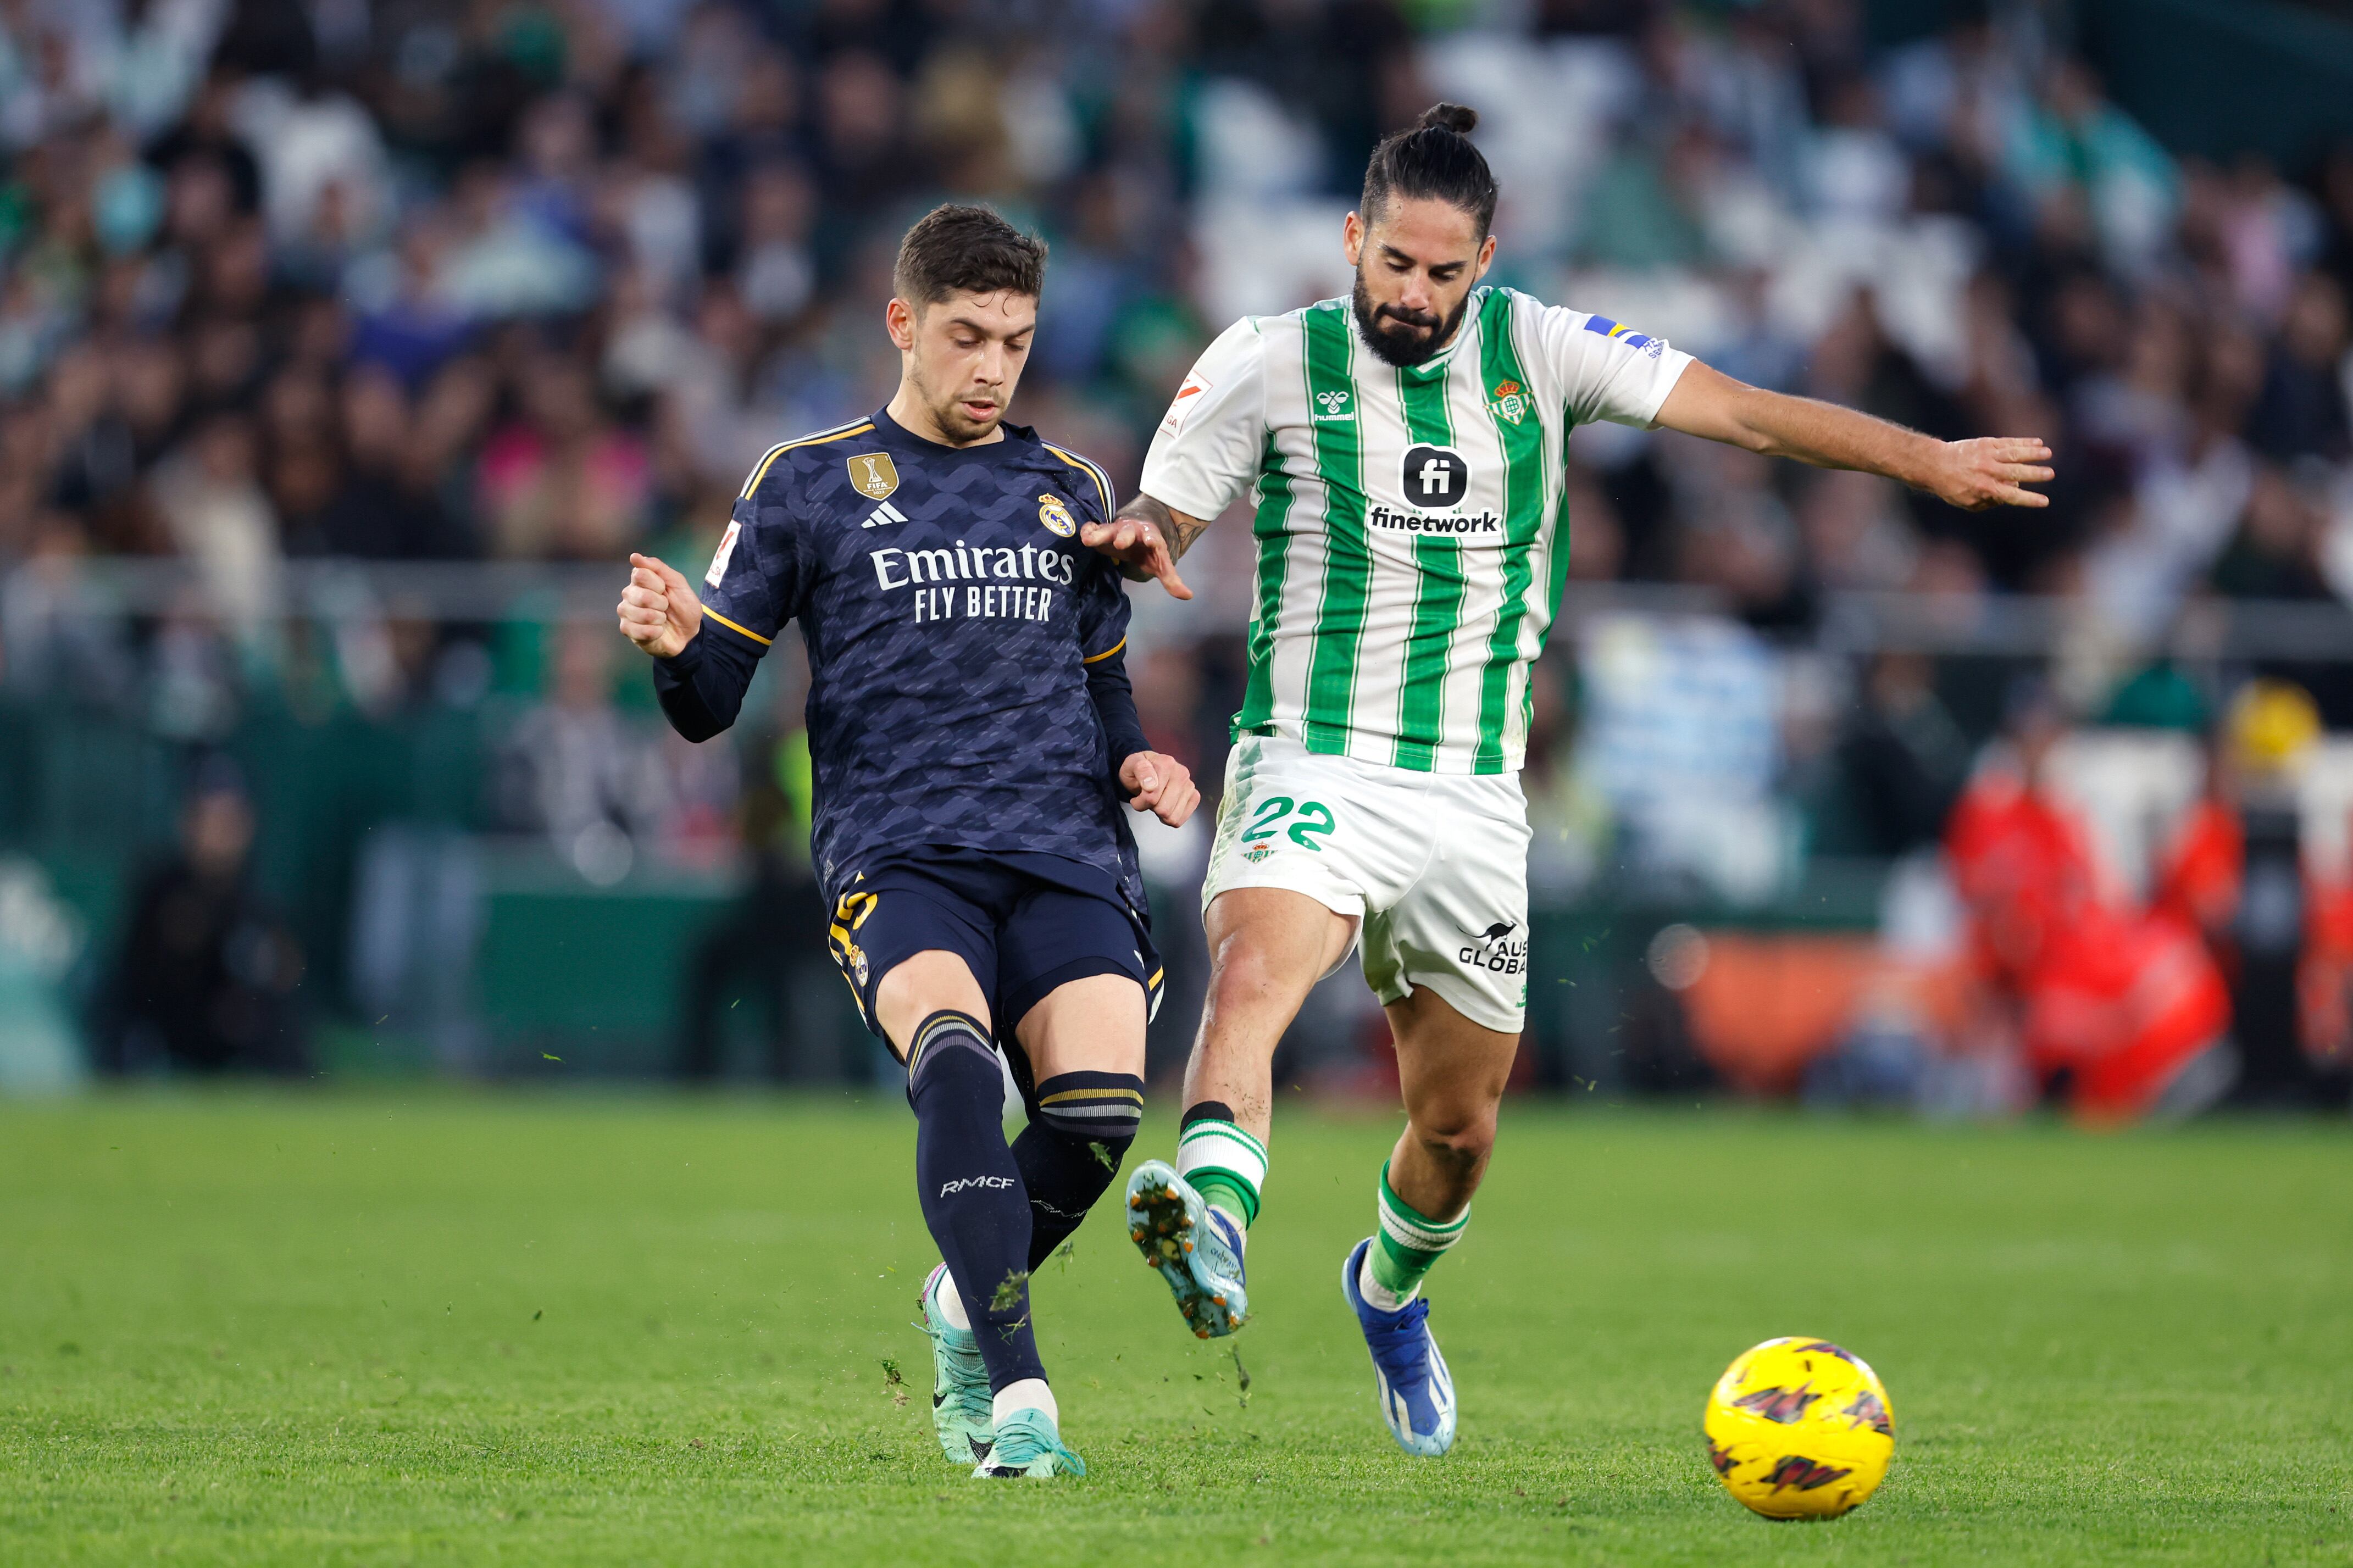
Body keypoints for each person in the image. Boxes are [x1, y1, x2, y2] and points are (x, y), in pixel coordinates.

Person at [1085, 103, 2054, 1458]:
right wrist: (1142, 536)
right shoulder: (1263, 361)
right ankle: (1217, 1226)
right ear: (1352, 240)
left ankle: (1387, 1291)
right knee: (1253, 977)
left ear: (1485, 257)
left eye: (1443, 272)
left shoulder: (1541, 348)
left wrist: (1924, 459)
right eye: (1394, 266)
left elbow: (1749, 417)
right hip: (1310, 758)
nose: (1414, 296)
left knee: (1459, 1127)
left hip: (1474, 798)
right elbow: (1168, 510)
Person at [615, 204, 1200, 1480]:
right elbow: (713, 700)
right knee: (952, 1064)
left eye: (1016, 341)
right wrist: (674, 652)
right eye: (966, 336)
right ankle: (1021, 1392)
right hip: (900, 852)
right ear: (902, 325)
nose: (992, 368)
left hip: (1063, 847)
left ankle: (953, 1300)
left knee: (1098, 1116)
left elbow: (1101, 686)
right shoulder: (806, 481)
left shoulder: (1069, 491)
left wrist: (1140, 756)